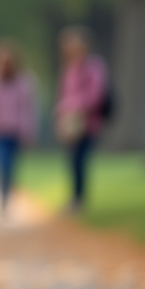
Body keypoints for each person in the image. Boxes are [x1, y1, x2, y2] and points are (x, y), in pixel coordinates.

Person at [54, 26, 108, 212]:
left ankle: (79, 199)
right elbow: (63, 95)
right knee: (71, 161)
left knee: (80, 160)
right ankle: (75, 197)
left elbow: (96, 95)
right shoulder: (69, 69)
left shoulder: (94, 67)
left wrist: (73, 105)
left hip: (88, 122)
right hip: (70, 123)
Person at [0, 39, 37, 217]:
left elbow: (26, 109)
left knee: (11, 168)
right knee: (1, 165)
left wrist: (27, 132)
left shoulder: (23, 83)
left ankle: (7, 197)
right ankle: (1, 198)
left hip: (14, 131)